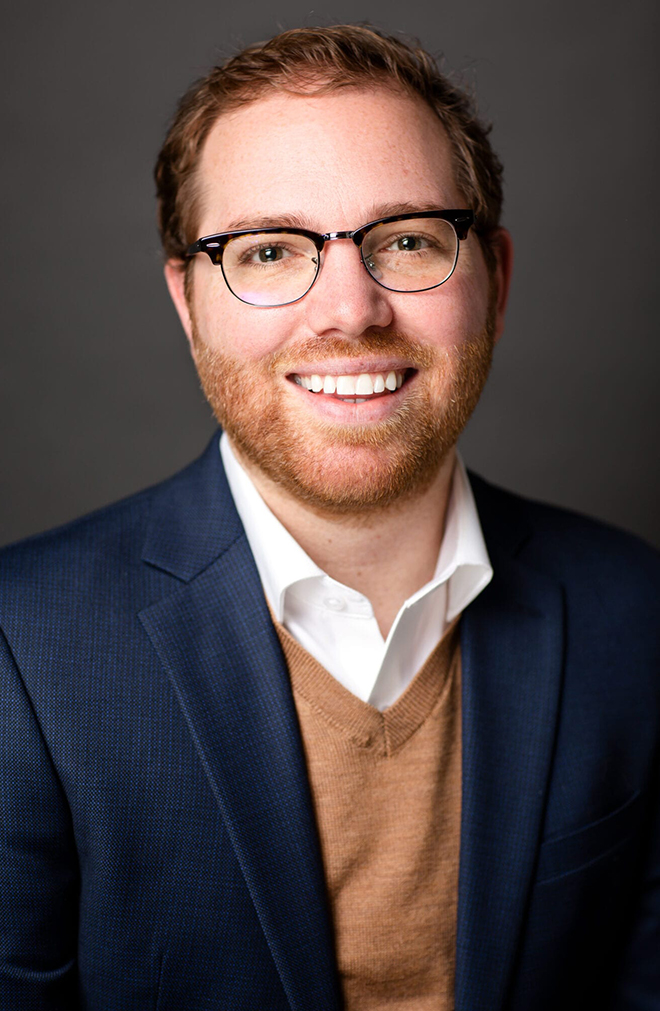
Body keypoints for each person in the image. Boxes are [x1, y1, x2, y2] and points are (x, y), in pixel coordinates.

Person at [0, 23, 658, 1011]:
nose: (351, 310)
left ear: (497, 279)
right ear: (187, 303)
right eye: (269, 250)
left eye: (408, 240)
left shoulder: (635, 613)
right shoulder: (21, 649)